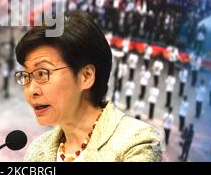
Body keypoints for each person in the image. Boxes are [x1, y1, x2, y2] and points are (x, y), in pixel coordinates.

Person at [16, 11, 161, 162]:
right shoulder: (37, 151)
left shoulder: (136, 143)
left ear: (86, 76)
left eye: (41, 74)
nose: (31, 90)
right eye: (25, 76)